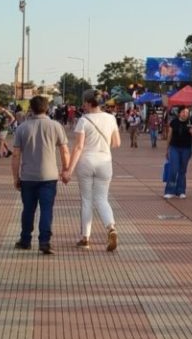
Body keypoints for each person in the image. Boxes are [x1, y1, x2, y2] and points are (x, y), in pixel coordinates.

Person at [11, 95, 70, 255]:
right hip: (49, 177)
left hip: (28, 177)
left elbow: (16, 155)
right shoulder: (56, 126)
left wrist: (16, 177)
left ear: (31, 108)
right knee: (46, 210)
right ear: (47, 108)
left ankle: (25, 240)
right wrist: (66, 170)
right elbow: (64, 150)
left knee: (28, 209)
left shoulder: (22, 128)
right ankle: (44, 241)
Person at [63, 89, 121, 251]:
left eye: (84, 102)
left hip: (86, 161)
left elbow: (79, 147)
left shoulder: (83, 120)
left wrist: (69, 170)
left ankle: (85, 238)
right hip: (105, 161)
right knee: (102, 198)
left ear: (88, 103)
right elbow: (117, 143)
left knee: (87, 200)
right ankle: (111, 227)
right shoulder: (111, 118)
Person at [164, 107, 192, 199]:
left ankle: (181, 190)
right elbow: (169, 135)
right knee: (173, 169)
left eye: (187, 112)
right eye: (183, 112)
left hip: (186, 148)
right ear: (179, 113)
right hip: (174, 147)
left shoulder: (190, 123)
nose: (185, 114)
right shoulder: (174, 122)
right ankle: (169, 190)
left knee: (182, 170)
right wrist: (167, 149)